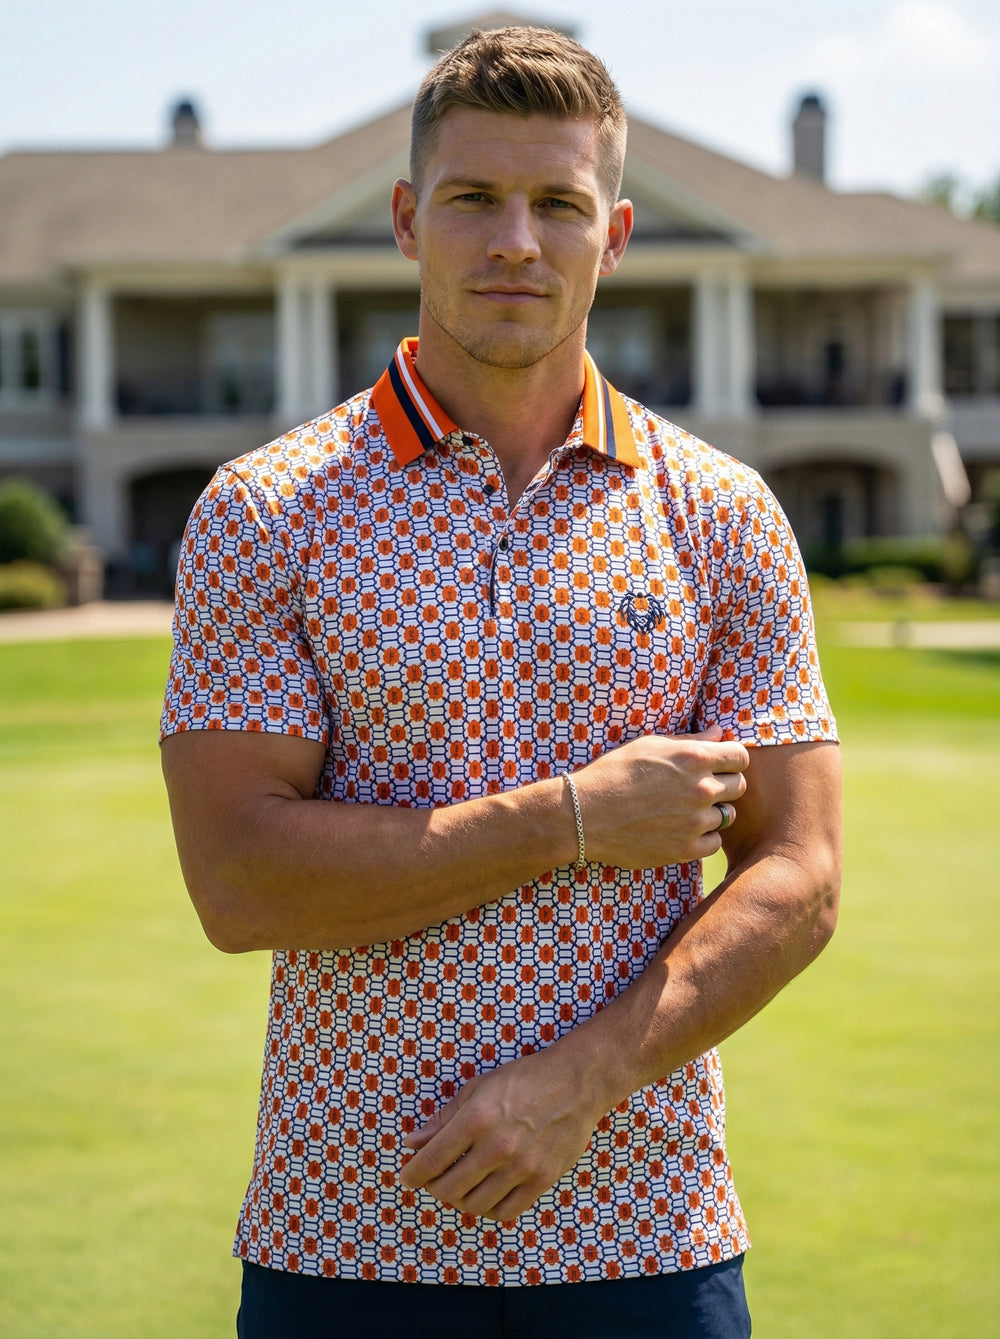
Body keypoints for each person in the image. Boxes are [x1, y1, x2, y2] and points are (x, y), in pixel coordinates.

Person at [160, 24, 841, 1339]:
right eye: (474, 199)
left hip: (649, 1236)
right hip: (342, 1237)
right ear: (410, 222)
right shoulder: (267, 512)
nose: (515, 242)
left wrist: (580, 1082)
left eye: (557, 205)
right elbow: (238, 884)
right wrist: (574, 818)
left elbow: (799, 875)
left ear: (617, 233)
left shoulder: (723, 514)